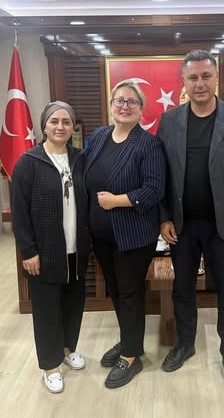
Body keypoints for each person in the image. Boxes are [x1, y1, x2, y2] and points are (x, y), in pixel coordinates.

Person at [156, 49, 224, 386]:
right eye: (193, 78)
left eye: (205, 76)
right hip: (182, 226)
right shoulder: (170, 121)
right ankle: (185, 344)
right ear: (183, 82)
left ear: (216, 78)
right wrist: (163, 217)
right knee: (182, 290)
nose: (199, 84)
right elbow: (160, 174)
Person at [85, 79, 166, 389]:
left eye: (132, 102)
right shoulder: (99, 136)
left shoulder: (148, 144)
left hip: (133, 235)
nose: (125, 106)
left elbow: (154, 190)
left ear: (141, 109)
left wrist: (116, 201)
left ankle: (131, 356)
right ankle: (129, 339)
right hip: (101, 235)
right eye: (119, 100)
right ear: (111, 105)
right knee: (116, 291)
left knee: (130, 293)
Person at [10, 101, 89, 394]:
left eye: (66, 122)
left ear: (73, 127)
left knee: (73, 304)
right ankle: (50, 366)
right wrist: (28, 251)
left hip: (76, 249)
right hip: (44, 251)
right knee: (47, 310)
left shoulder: (80, 159)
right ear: (44, 126)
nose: (60, 127)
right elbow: (19, 212)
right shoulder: (28, 162)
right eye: (54, 121)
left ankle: (68, 350)